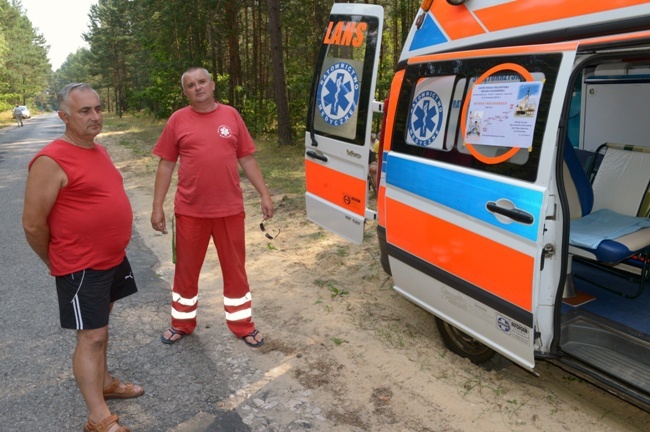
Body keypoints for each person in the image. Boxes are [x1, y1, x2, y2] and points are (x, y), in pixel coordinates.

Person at [22, 83, 142, 432]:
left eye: (98, 108)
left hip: (111, 258)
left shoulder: (98, 150)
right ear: (64, 116)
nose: (95, 116)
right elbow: (32, 224)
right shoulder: (50, 160)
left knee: (101, 326)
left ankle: (104, 382)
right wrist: (57, 261)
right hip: (81, 264)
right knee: (92, 336)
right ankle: (98, 416)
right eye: (84, 111)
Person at [151, 67, 273, 348]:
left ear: (213, 84)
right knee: (185, 271)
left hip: (229, 210)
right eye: (191, 85)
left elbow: (247, 158)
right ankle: (181, 323)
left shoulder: (231, 115)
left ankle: (243, 325)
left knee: (235, 271)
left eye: (202, 82)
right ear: (185, 92)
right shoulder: (177, 120)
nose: (198, 87)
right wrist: (157, 207)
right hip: (190, 212)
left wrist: (264, 194)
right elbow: (166, 164)